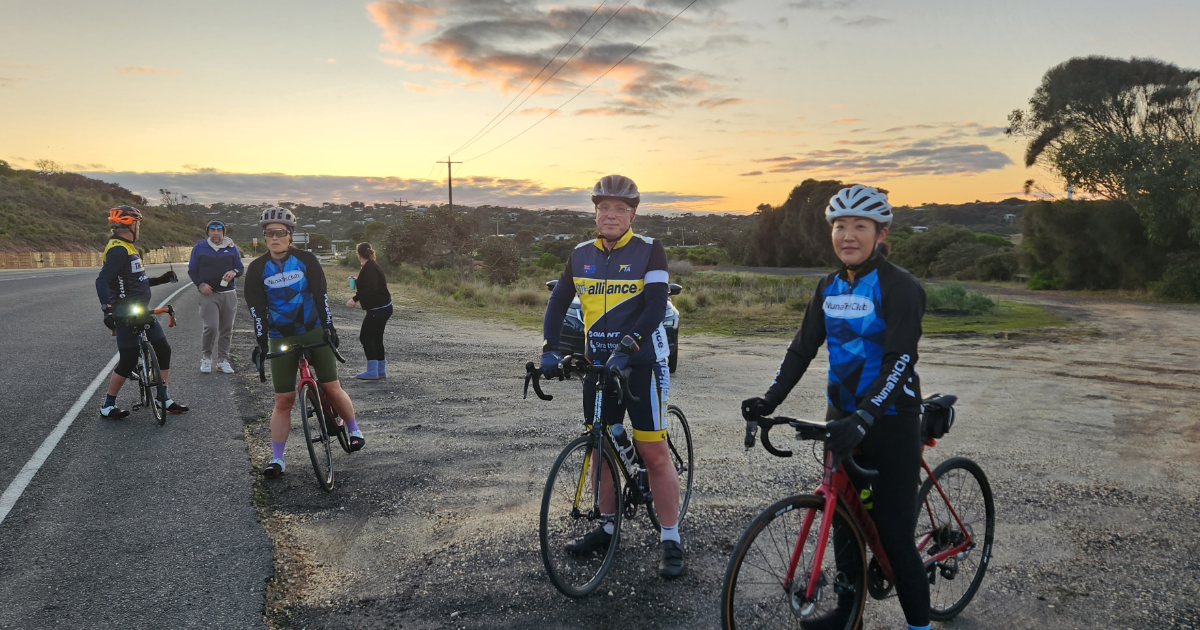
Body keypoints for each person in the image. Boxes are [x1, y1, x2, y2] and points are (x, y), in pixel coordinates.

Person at [741, 185, 930, 630]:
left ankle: (919, 625)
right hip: (841, 417)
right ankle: (849, 615)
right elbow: (801, 349)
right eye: (840, 226)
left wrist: (866, 415)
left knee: (894, 535)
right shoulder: (828, 286)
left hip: (890, 420)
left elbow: (899, 360)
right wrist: (770, 399)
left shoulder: (901, 286)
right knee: (844, 520)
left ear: (881, 233)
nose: (848, 235)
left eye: (860, 226)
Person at [541, 175, 684, 579]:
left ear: (632, 214)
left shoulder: (649, 250)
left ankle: (670, 537)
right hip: (599, 366)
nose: (611, 215)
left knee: (653, 452)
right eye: (603, 207)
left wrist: (629, 345)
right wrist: (550, 348)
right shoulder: (580, 254)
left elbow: (656, 305)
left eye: (620, 209)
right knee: (599, 447)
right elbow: (558, 301)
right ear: (595, 213)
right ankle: (606, 526)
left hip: (641, 365)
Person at [244, 207, 365, 479]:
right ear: (264, 237)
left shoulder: (306, 260)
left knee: (332, 387)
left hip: (313, 330)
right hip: (280, 336)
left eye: (280, 233)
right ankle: (277, 459)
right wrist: (261, 342)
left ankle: (354, 429)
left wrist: (329, 328)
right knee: (283, 399)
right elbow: (256, 310)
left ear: (290, 235)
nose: (275, 238)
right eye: (269, 234)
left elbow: (321, 296)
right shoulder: (257, 269)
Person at [95, 205, 189, 418]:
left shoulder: (129, 248)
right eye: (137, 224)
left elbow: (136, 280)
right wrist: (107, 310)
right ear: (131, 225)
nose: (139, 228)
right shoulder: (119, 249)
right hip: (125, 312)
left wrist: (161, 280)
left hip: (141, 309)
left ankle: (162, 397)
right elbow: (102, 280)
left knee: (163, 350)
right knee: (127, 360)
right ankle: (108, 405)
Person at [187, 219, 244, 374]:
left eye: (219, 230)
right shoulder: (199, 248)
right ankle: (206, 358)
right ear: (208, 232)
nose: (216, 233)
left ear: (223, 232)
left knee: (227, 329)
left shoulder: (231, 248)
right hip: (209, 294)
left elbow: (240, 268)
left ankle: (222, 361)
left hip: (228, 294)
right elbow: (192, 270)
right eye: (213, 230)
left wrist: (234, 272)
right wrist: (201, 285)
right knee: (211, 327)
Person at [345, 242, 393, 380]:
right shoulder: (370, 265)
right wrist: (357, 280)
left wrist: (354, 299)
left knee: (365, 337)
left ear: (359, 254)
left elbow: (370, 288)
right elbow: (369, 283)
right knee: (376, 338)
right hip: (383, 307)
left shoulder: (370, 267)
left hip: (378, 309)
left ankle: (372, 372)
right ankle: (380, 370)